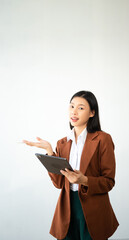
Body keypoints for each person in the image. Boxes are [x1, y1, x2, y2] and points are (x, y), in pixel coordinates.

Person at [23, 90, 119, 240]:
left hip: (94, 209)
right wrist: (49, 151)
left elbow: (109, 182)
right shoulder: (62, 143)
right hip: (67, 208)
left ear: (92, 113)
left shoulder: (103, 139)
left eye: (81, 108)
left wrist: (84, 180)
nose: (74, 111)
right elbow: (59, 183)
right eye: (72, 106)